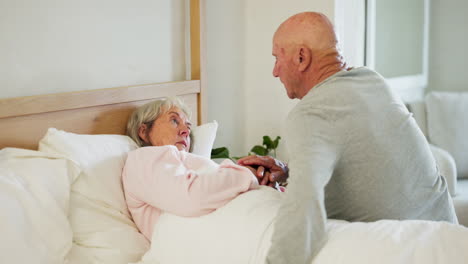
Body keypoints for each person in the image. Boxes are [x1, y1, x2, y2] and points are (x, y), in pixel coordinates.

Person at [237, 12, 458, 264]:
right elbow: (366, 160)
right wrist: (290, 170)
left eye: (277, 58)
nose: (275, 71)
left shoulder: (311, 113)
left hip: (411, 253)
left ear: (301, 58)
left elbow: (303, 210)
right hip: (450, 240)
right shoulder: (372, 81)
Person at [122, 97, 260, 241]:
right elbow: (192, 197)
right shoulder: (142, 159)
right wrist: (248, 174)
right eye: (174, 121)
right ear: (144, 131)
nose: (185, 131)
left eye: (188, 127)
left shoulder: (186, 161)